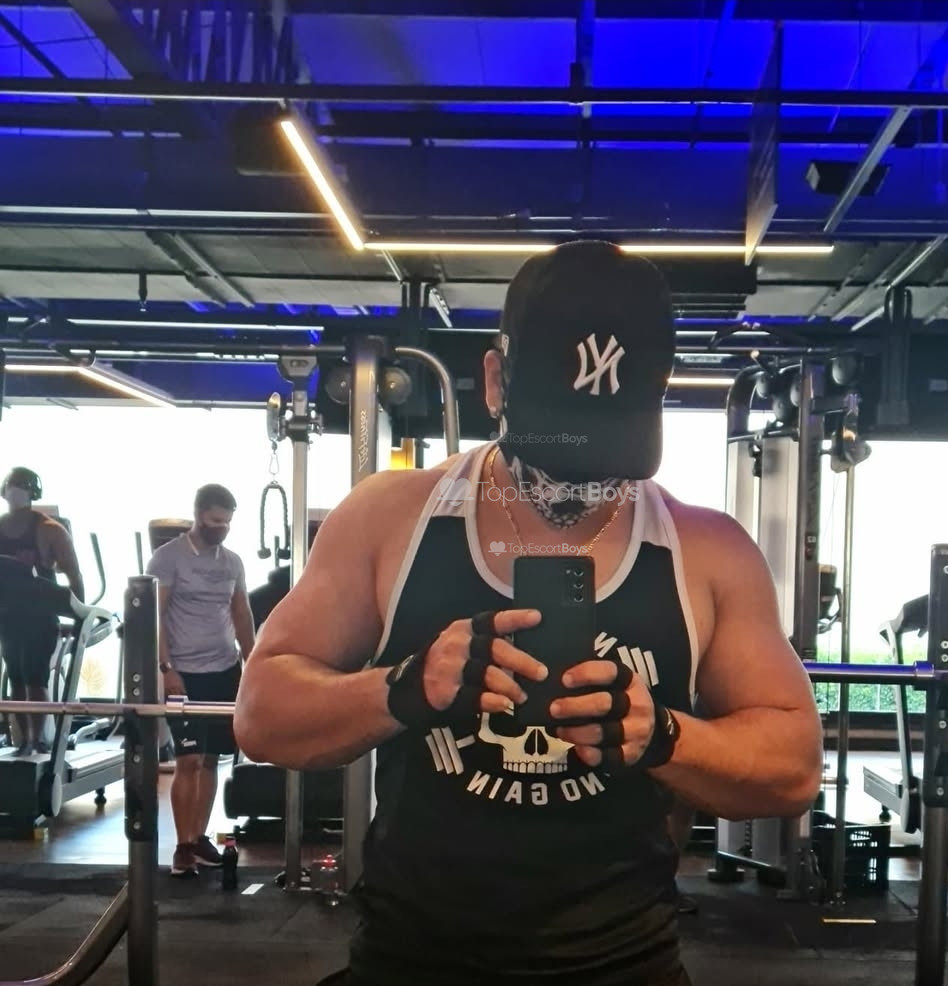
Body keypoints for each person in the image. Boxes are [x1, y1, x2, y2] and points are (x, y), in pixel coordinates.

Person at [234, 240, 823, 986]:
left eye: (607, 445)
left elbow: (794, 767)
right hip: (411, 960)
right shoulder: (390, 518)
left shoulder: (707, 551)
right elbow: (261, 715)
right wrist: (405, 687)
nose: (581, 476)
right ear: (494, 380)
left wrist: (663, 736)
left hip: (622, 965)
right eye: (558, 437)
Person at [146, 484, 255, 878]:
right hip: (184, 673)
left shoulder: (232, 562)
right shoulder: (168, 559)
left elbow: (241, 614)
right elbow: (155, 616)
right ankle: (182, 846)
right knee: (188, 759)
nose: (222, 528)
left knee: (210, 759)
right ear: (198, 516)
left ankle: (198, 837)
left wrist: (253, 662)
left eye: (227, 523)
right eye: (215, 521)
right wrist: (166, 668)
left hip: (223, 670)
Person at [0, 467, 84, 757]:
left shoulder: (50, 529)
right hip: (8, 615)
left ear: (32, 493)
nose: (15, 491)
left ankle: (38, 740)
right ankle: (23, 740)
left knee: (35, 677)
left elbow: (74, 575)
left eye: (21, 486)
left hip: (39, 615)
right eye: (12, 485)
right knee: (16, 677)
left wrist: (79, 617)